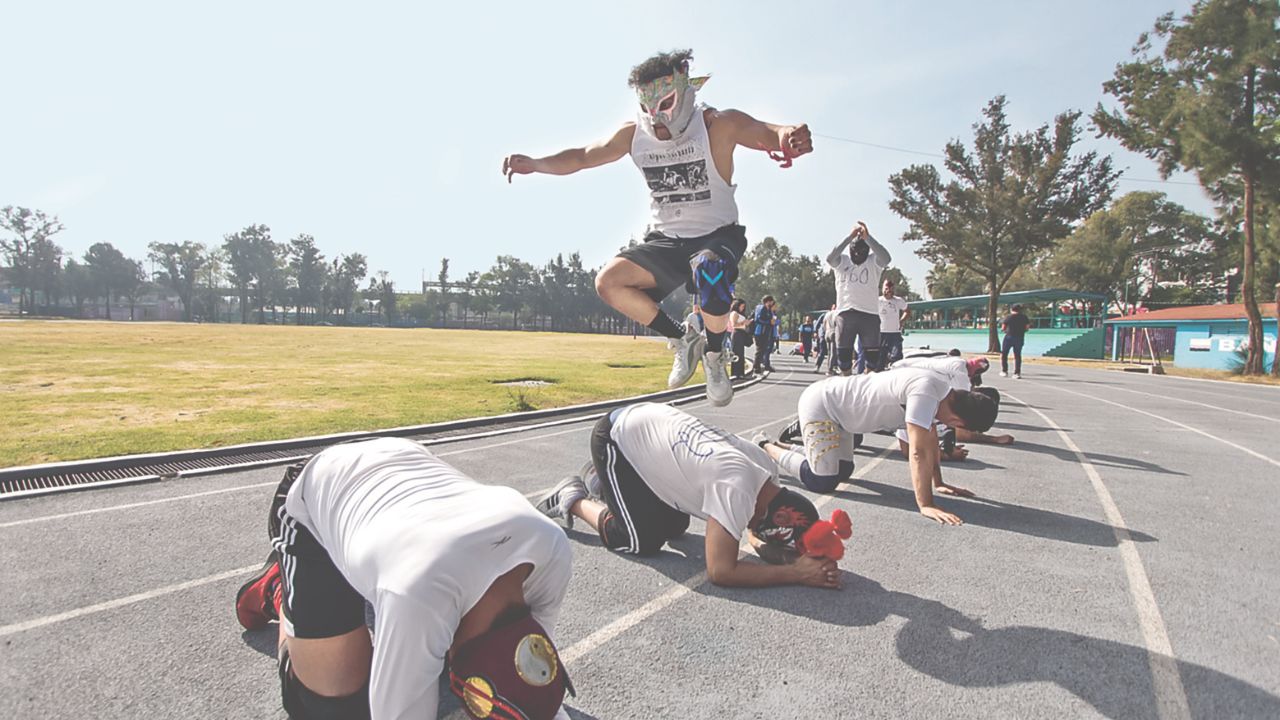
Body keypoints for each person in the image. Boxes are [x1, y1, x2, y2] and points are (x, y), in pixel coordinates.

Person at [502, 49, 812, 408]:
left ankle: (714, 356)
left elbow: (766, 131)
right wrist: (536, 164)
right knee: (608, 282)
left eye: (666, 104)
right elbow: (584, 156)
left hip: (715, 236)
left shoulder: (716, 125)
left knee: (709, 270)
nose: (659, 120)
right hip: (665, 241)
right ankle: (683, 339)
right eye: (649, 110)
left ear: (685, 90)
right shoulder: (634, 134)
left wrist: (789, 135)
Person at [234, 438, 575, 720]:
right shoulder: (417, 596)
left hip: (402, 470)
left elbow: (534, 669)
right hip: (312, 499)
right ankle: (280, 590)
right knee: (333, 707)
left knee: (420, 658)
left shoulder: (553, 549)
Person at [535, 403, 842, 589]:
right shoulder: (736, 488)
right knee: (639, 540)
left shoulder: (764, 474)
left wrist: (792, 560)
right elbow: (721, 572)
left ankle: (606, 484)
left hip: (649, 429)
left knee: (675, 526)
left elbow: (757, 537)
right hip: (617, 439)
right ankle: (574, 496)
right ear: (778, 519)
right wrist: (794, 573)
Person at [756, 369, 997, 525]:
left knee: (844, 471)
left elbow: (930, 440)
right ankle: (765, 445)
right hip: (823, 404)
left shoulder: (943, 393)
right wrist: (926, 505)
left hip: (843, 416)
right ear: (958, 422)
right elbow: (918, 451)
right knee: (822, 481)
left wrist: (939, 483)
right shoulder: (926, 393)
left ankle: (785, 445)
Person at [828, 221, 890, 375]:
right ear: (850, 251)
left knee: (872, 361)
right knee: (843, 361)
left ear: (866, 251)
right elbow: (830, 258)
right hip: (845, 312)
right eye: (854, 252)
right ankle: (847, 382)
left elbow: (887, 258)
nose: (857, 255)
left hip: (869, 313)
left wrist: (868, 238)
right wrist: (849, 237)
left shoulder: (873, 261)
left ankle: (865, 384)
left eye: (861, 252)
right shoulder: (842, 261)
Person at [877, 279, 910, 370]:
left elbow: (907, 311)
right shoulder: (878, 301)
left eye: (891, 289)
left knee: (897, 356)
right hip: (881, 333)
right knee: (879, 360)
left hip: (895, 333)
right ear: (883, 288)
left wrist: (901, 320)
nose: (888, 292)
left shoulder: (898, 301)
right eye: (886, 289)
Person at [1000, 304, 1030, 378]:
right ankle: (1017, 373)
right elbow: (1027, 328)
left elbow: (1003, 327)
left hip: (1009, 337)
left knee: (1004, 354)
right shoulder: (1024, 317)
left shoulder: (1008, 317)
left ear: (1011, 309)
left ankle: (1004, 371)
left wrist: (1005, 331)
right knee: (1017, 355)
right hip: (1019, 337)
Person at [752, 295, 777, 375]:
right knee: (760, 350)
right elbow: (758, 319)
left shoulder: (768, 309)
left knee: (763, 350)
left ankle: (760, 365)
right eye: (771, 301)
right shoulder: (761, 308)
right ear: (768, 301)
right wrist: (769, 322)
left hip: (766, 332)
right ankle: (756, 367)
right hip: (760, 332)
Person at [729, 298, 752, 379]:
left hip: (742, 333)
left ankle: (740, 373)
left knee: (741, 354)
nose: (742, 308)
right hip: (737, 333)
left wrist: (747, 324)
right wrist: (743, 323)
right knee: (737, 353)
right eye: (742, 306)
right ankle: (735, 373)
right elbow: (734, 324)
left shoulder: (741, 314)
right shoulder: (734, 313)